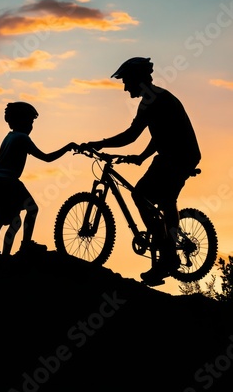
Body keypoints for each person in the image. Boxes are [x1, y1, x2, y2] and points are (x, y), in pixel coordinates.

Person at [81, 57, 201, 286]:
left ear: (138, 79)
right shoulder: (157, 98)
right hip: (175, 154)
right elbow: (162, 135)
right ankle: (166, 254)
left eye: (127, 81)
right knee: (157, 197)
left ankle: (167, 256)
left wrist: (100, 143)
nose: (125, 87)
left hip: (178, 155)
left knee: (146, 196)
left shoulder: (153, 100)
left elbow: (131, 135)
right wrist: (141, 157)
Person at [0, 101, 77, 256]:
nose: (31, 126)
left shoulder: (9, 137)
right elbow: (46, 158)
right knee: (32, 209)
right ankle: (25, 245)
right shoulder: (22, 138)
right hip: (10, 182)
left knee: (2, 219)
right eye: (30, 122)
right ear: (22, 121)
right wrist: (67, 147)